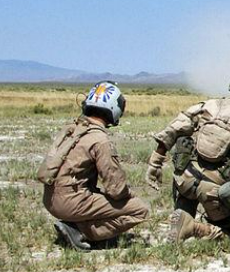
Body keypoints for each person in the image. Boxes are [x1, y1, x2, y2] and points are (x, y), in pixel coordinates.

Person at [146, 66, 230, 250]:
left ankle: (183, 214)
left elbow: (173, 129)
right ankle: (196, 228)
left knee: (189, 180)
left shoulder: (210, 105)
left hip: (185, 180)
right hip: (215, 193)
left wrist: (155, 162)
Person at [39, 81, 149, 250]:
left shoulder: (72, 129)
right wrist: (130, 195)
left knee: (98, 195)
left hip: (50, 198)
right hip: (71, 201)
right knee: (140, 209)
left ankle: (75, 225)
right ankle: (79, 231)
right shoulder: (100, 139)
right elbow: (116, 189)